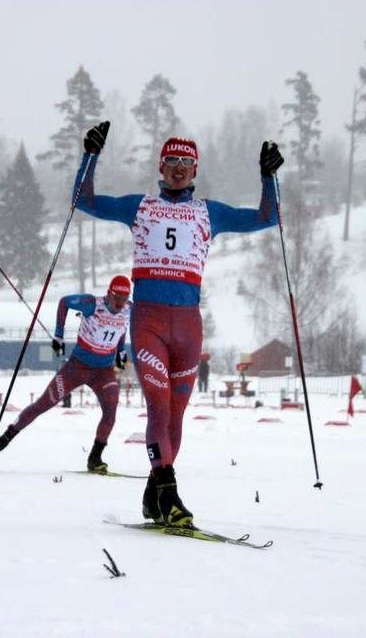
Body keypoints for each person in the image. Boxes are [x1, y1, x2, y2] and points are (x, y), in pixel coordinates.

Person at [71, 121, 282, 527]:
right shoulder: (141, 206)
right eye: (172, 161)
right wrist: (91, 155)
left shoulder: (209, 213)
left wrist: (268, 176)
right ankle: (169, 494)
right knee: (157, 406)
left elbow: (267, 218)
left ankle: (154, 496)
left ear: (196, 169)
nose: (179, 167)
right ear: (161, 166)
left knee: (175, 418)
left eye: (187, 161)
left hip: (188, 327)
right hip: (148, 321)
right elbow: (83, 200)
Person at [0, 275, 132, 473]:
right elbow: (64, 302)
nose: (120, 304)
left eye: (124, 298)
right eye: (117, 298)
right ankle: (0, 443)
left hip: (103, 371)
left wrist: (121, 351)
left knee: (111, 412)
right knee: (42, 405)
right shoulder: (91, 304)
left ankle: (95, 458)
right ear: (109, 294)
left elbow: (121, 329)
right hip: (77, 368)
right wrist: (59, 335)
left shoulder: (129, 308)